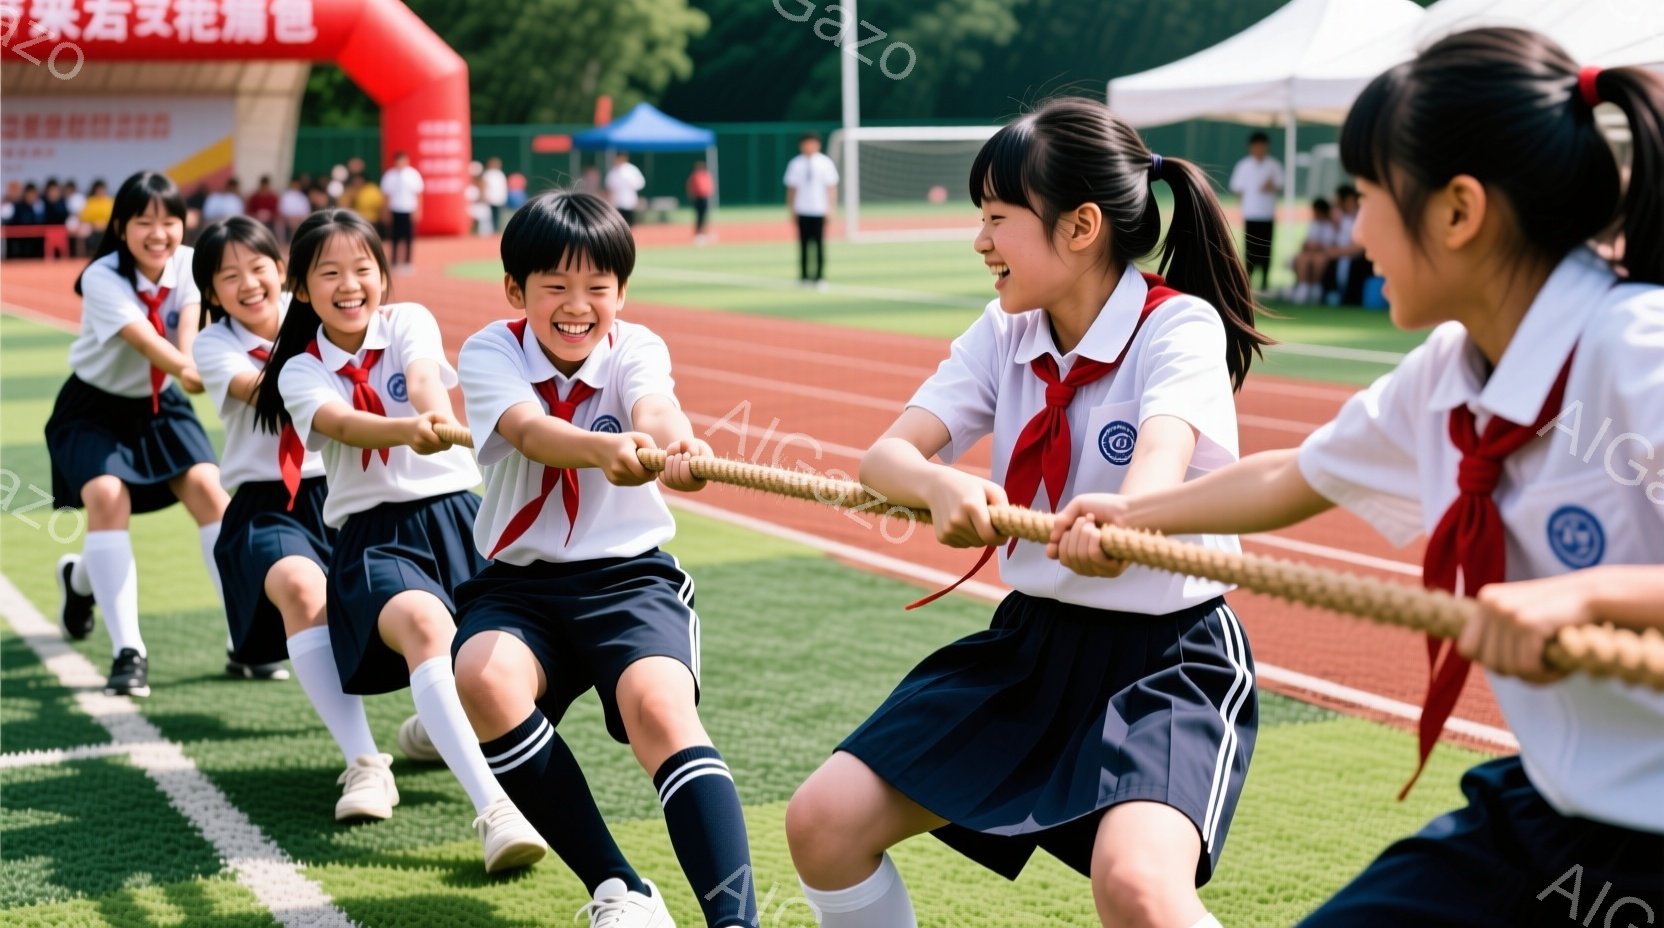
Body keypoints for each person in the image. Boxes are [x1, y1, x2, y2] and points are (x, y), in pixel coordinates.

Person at [1043, 30, 1664, 928]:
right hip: (1558, 812)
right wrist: (1137, 511)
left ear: (1458, 212)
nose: (1354, 227)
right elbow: (1293, 475)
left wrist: (1585, 597)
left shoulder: (1637, 351)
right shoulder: (1452, 370)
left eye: (1370, 197)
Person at [786, 97, 1269, 928]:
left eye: (998, 217)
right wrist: (938, 486)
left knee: (1137, 889)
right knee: (822, 822)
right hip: (1032, 643)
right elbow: (885, 458)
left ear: (1080, 227)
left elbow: (1160, 460)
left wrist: (1123, 520)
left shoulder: (1175, 327)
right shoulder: (1005, 330)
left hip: (1167, 659)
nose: (979, 240)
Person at [453, 190, 754, 927]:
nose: (577, 305)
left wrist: (676, 443)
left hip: (628, 577)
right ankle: (621, 888)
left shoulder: (637, 347)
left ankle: (737, 923)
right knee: (483, 678)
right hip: (519, 586)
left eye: (598, 288)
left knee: (659, 710)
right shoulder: (491, 349)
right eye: (554, 286)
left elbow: (655, 408)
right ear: (515, 291)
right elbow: (528, 430)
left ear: (622, 291)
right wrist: (605, 449)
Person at [252, 208, 548, 873]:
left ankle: (429, 730)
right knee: (424, 624)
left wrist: (431, 411)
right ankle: (496, 811)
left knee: (503, 668)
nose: (349, 284)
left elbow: (420, 377)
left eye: (363, 269)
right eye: (329, 273)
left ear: (384, 275)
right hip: (375, 536)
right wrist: (406, 430)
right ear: (302, 289)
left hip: (458, 518)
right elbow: (342, 424)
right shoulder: (300, 372)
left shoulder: (409, 321)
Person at [190, 215, 414, 819]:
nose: (248, 282)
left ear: (282, 273)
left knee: (430, 606)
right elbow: (262, 393)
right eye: (228, 276)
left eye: (259, 266)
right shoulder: (216, 345)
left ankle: (433, 722)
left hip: (352, 494)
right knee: (300, 586)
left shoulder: (340, 320)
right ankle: (365, 763)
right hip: (271, 505)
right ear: (211, 293)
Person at [48, 171, 227, 698]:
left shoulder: (190, 263)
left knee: (211, 492)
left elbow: (187, 329)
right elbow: (149, 341)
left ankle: (248, 635)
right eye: (144, 221)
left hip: (159, 403)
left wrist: (192, 365)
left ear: (183, 223)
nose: (159, 232)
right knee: (108, 496)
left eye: (169, 220)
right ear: (121, 226)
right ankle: (130, 652)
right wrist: (190, 371)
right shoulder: (103, 276)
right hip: (94, 408)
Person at [1228, 130, 1284, 292]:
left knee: (1266, 249)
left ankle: (1265, 283)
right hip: (1251, 215)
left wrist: (1271, 185)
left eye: (1262, 146)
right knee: (1250, 250)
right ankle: (1248, 283)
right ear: (1251, 147)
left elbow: (1280, 184)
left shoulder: (1273, 165)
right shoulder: (1244, 166)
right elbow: (1237, 188)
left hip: (1267, 215)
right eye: (1256, 146)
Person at [784, 132, 839, 290]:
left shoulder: (825, 163)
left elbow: (831, 188)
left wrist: (831, 208)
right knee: (803, 245)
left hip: (819, 209)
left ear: (818, 144)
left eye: (812, 142)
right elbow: (791, 189)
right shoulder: (796, 164)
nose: (809, 146)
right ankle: (804, 276)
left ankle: (820, 277)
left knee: (820, 244)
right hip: (802, 209)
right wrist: (791, 209)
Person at [1321, 185, 1372, 305]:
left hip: (1358, 261)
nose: (1336, 203)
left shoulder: (1362, 217)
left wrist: (1338, 252)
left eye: (1338, 200)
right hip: (1342, 257)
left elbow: (1360, 247)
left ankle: (1347, 297)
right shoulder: (1339, 220)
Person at [1290, 197, 1341, 304]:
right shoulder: (1313, 224)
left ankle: (1315, 287)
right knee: (1303, 259)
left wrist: (1316, 246)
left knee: (1319, 260)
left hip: (1324, 253)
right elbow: (1307, 242)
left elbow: (1329, 244)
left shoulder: (1331, 225)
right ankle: (1303, 287)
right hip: (1311, 252)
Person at [380, 152, 423, 271]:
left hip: (408, 209)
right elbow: (386, 195)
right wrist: (385, 211)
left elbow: (418, 194)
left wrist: (418, 210)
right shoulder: (389, 175)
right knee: (394, 236)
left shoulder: (413, 174)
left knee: (408, 237)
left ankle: (407, 261)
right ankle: (394, 261)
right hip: (395, 209)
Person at [605, 152, 646, 226]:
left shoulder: (631, 170)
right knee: (619, 224)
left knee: (629, 224)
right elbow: (609, 188)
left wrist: (638, 199)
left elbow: (639, 185)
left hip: (629, 202)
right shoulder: (613, 171)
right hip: (617, 203)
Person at [79, 179, 114, 254]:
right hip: (93, 227)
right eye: (99, 190)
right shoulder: (91, 201)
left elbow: (113, 216)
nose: (100, 192)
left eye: (102, 189)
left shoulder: (110, 201)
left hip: (107, 226)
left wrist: (104, 223)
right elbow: (84, 217)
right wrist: (94, 223)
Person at [687, 160, 714, 243]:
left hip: (705, 197)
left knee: (705, 216)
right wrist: (691, 196)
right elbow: (691, 187)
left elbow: (709, 185)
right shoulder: (695, 176)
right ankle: (698, 233)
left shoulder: (706, 175)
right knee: (699, 216)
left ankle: (704, 232)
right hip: (698, 197)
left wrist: (710, 193)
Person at [278, 176, 311, 244]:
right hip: (287, 218)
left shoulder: (303, 197)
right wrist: (289, 217)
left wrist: (297, 217)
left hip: (298, 219)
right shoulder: (285, 195)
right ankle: (283, 244)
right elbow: (282, 209)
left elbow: (306, 210)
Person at [481, 156, 509, 229]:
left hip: (499, 198)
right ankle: (492, 229)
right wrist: (484, 195)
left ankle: (496, 229)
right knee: (490, 216)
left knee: (497, 215)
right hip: (490, 198)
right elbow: (484, 185)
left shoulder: (500, 174)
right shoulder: (488, 174)